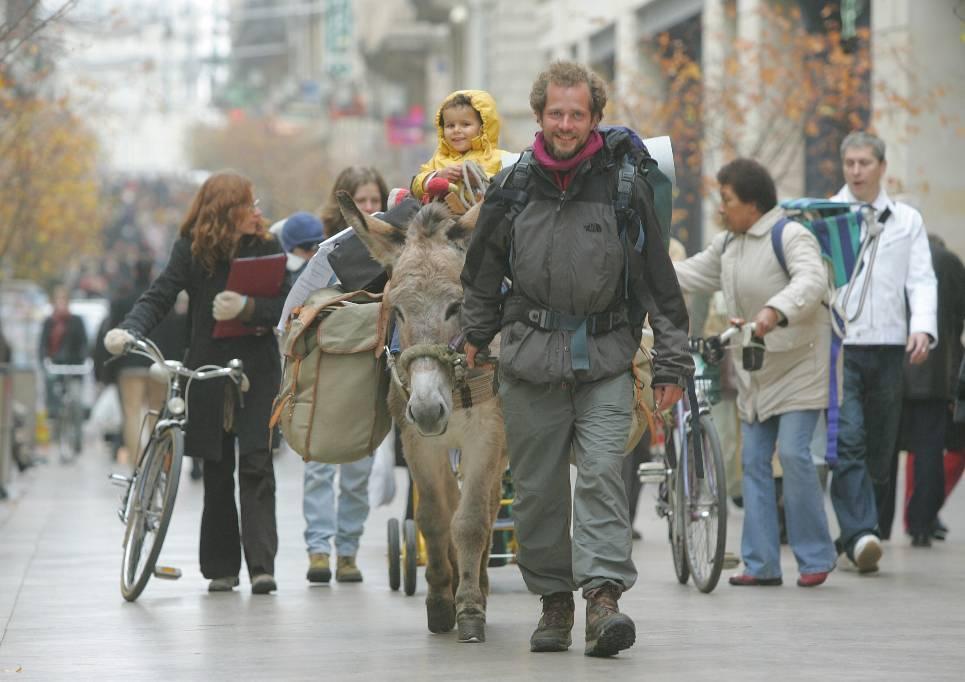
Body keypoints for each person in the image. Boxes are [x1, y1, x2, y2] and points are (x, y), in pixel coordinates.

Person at [460, 61, 692, 657]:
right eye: (556, 113)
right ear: (539, 116)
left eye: (577, 114)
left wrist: (670, 363)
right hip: (529, 362)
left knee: (601, 479)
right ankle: (554, 602)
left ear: (595, 118)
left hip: (607, 359)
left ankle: (602, 601)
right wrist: (473, 337)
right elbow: (482, 276)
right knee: (536, 492)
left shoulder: (622, 187)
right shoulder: (511, 187)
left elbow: (657, 284)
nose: (566, 124)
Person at [104, 172, 289, 595]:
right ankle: (222, 568)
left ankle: (262, 567)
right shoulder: (191, 250)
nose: (255, 210)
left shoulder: (267, 245)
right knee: (216, 466)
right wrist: (129, 330)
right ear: (225, 212)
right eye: (246, 203)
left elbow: (286, 302)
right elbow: (161, 294)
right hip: (205, 371)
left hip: (256, 371)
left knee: (258, 463)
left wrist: (250, 307)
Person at [674, 158, 837, 588]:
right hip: (757, 369)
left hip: (800, 364)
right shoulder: (729, 243)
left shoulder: (790, 235)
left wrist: (773, 311)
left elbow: (811, 281)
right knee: (752, 463)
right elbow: (688, 273)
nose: (721, 209)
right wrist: (638, 270)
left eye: (727, 200)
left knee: (795, 455)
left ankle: (815, 556)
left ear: (753, 203)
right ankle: (761, 563)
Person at [828, 131, 937, 573]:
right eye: (849, 163)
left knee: (880, 445)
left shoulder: (906, 220)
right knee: (849, 439)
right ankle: (861, 534)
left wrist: (923, 329)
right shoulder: (829, 215)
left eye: (864, 163)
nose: (856, 171)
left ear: (881, 167)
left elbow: (922, 279)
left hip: (890, 345)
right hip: (842, 346)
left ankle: (858, 532)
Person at [302, 173, 387, 584]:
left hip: (367, 364)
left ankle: (347, 551)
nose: (370, 207)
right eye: (362, 200)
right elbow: (302, 301)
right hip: (325, 365)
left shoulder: (392, 245)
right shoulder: (327, 249)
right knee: (318, 461)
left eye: (376, 199)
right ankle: (318, 550)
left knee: (358, 463)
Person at [898, 234, 965, 546]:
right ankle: (922, 522)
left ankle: (877, 524)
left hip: (897, 366)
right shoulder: (951, 265)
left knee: (888, 448)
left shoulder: (902, 262)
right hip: (940, 371)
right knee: (930, 449)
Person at [410, 89, 509, 202]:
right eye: (450, 125)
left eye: (465, 124)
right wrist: (437, 176)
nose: (456, 130)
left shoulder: (500, 159)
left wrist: (479, 179)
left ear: (484, 127)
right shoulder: (438, 158)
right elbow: (416, 184)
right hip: (438, 216)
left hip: (480, 217)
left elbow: (509, 189)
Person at [39, 286, 89, 457]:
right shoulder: (49, 322)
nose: (61, 303)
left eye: (63, 300)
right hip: (55, 368)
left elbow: (84, 344)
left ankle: (77, 437)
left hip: (74, 368)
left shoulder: (76, 321)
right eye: (58, 300)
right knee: (56, 403)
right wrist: (45, 363)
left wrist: (84, 360)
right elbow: (42, 346)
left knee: (75, 400)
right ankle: (57, 434)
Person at [319, 166, 388, 239]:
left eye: (375, 200)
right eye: (360, 200)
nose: (369, 207)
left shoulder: (397, 246)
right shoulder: (321, 245)